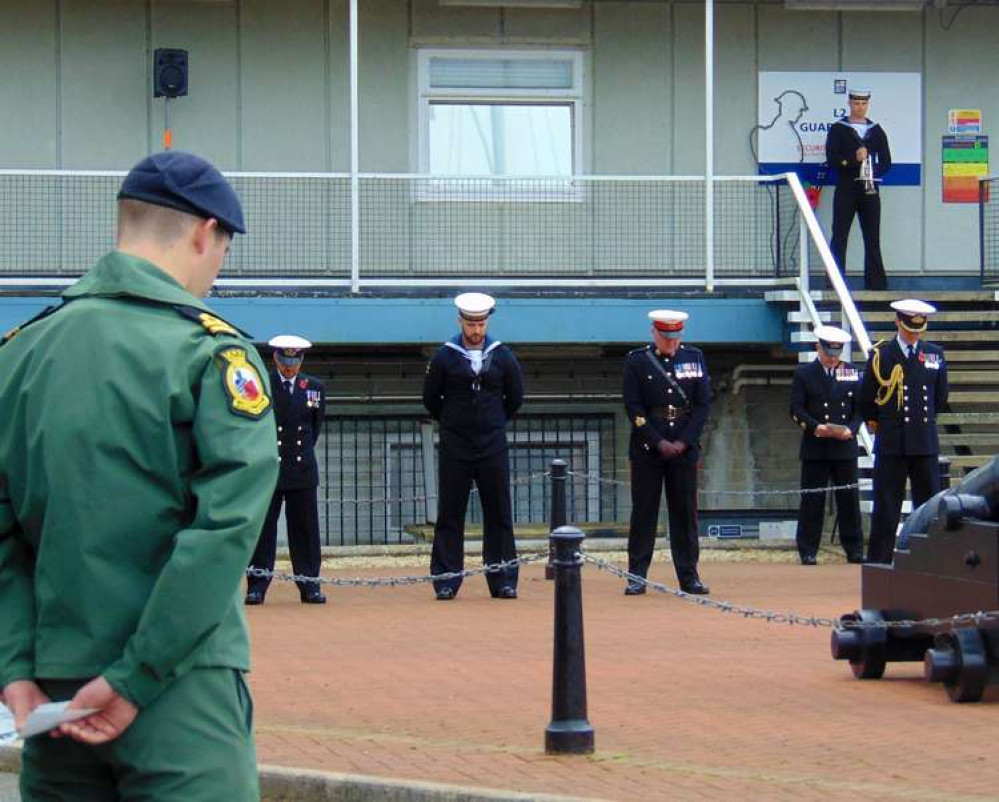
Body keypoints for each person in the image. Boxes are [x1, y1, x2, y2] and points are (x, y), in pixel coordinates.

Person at [0, 151, 277, 800]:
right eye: (222, 250)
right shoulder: (209, 352)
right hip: (180, 689)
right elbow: (223, 531)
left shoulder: (20, 355)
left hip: (51, 693)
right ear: (204, 232)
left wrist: (13, 667)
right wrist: (135, 676)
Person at [422, 292, 525, 601]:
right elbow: (431, 399)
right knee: (450, 513)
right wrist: (455, 424)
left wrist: (492, 423)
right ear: (460, 322)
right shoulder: (445, 356)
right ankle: (446, 580)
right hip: (456, 447)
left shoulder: (503, 356)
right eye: (470, 324)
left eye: (480, 323)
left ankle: (503, 578)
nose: (476, 330)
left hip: (492, 446)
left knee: (499, 513)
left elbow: (515, 398)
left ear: (487, 322)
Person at [623, 310, 711, 596]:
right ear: (654, 333)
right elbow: (633, 407)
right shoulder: (637, 361)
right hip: (649, 446)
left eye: (675, 337)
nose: (671, 343)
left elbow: (701, 406)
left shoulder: (695, 358)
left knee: (685, 514)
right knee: (644, 512)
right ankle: (637, 574)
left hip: (684, 446)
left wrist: (685, 441)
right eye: (665, 337)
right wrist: (657, 440)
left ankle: (689, 575)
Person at [859, 299, 948, 564]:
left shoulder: (934, 354)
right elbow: (866, 400)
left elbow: (940, 397)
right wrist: (879, 422)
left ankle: (928, 561)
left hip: (923, 442)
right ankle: (880, 561)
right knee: (887, 507)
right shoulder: (881, 356)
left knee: (928, 507)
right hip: (893, 442)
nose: (914, 334)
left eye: (919, 329)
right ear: (897, 322)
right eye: (910, 328)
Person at [246, 335, 327, 605]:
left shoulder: (313, 387)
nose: (289, 367)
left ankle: (309, 585)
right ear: (276, 359)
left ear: (301, 360)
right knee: (264, 531)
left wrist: (300, 454)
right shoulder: (262, 385)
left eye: (294, 361)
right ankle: (257, 584)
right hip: (270, 467)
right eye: (285, 360)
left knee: (305, 531)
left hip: (301, 468)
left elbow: (313, 428)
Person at [790, 325, 865, 565]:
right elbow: (796, 409)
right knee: (813, 499)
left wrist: (851, 430)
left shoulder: (851, 372)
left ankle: (853, 547)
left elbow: (860, 409)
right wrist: (814, 427)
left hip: (844, 446)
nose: (833, 360)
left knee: (849, 500)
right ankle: (808, 548)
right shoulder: (805, 374)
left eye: (837, 355)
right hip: (817, 445)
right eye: (828, 354)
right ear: (818, 348)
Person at [825, 87, 892, 290]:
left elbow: (887, 161)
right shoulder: (839, 129)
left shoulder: (876, 130)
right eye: (856, 103)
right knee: (839, 235)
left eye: (863, 103)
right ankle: (835, 283)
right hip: (847, 188)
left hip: (870, 190)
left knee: (872, 237)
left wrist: (873, 172)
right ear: (849, 103)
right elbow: (832, 159)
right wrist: (853, 160)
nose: (860, 107)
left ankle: (876, 285)